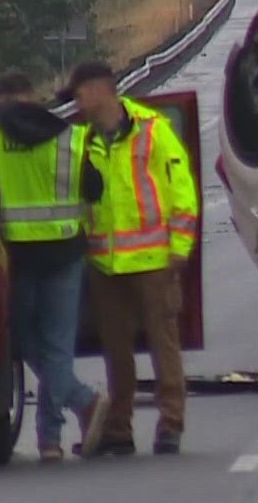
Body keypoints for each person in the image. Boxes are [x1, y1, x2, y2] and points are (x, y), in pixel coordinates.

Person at [0, 71, 107, 462]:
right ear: (34, 98)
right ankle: (50, 440)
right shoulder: (69, 137)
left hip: (13, 258)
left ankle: (84, 404)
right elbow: (95, 188)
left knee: (23, 343)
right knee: (59, 347)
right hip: (64, 252)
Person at [68, 61, 199, 455]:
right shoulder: (81, 140)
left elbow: (182, 192)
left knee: (164, 345)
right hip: (106, 263)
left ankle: (170, 424)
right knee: (116, 351)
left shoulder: (153, 130)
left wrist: (179, 248)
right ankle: (119, 430)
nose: (77, 102)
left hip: (155, 260)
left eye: (79, 93)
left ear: (100, 89)